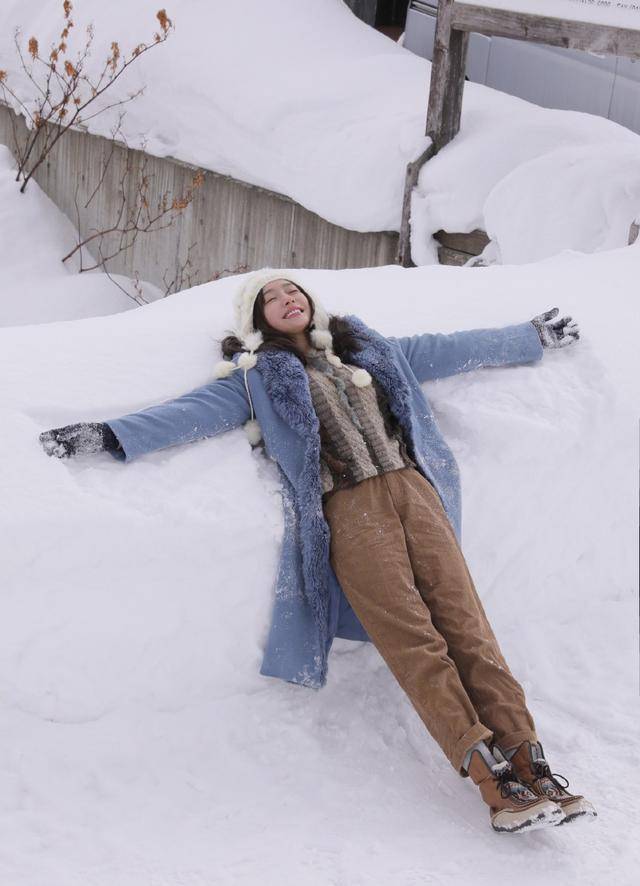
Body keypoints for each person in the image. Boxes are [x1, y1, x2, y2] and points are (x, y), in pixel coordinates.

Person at [40, 269, 596, 834]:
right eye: (271, 298)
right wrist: (110, 435)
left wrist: (529, 337)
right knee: (414, 641)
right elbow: (190, 412)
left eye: (294, 291)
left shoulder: (368, 352)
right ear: (255, 319)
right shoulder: (257, 378)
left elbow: (448, 349)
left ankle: (533, 763)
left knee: (469, 628)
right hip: (350, 511)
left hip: (415, 492)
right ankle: (491, 779)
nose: (287, 300)